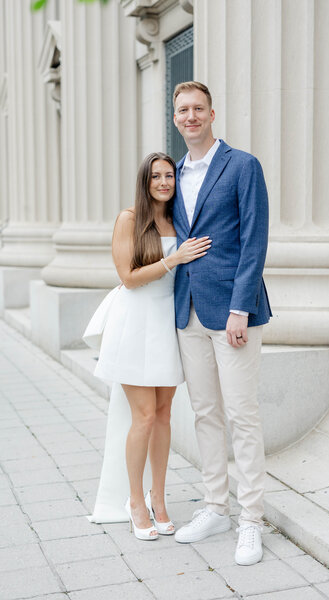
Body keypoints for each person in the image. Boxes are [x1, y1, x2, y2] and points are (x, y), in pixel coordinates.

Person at [84, 152, 211, 540]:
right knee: (142, 416)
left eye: (169, 175)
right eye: (155, 176)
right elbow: (128, 277)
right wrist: (174, 259)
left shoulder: (180, 220)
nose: (163, 182)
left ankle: (159, 498)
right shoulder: (129, 219)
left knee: (163, 415)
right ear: (145, 180)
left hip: (167, 324)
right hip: (135, 323)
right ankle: (135, 500)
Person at [171, 82, 272, 565]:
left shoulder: (242, 165)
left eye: (197, 109)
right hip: (186, 310)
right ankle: (216, 507)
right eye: (182, 110)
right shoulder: (172, 174)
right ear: (175, 119)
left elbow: (254, 240)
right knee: (205, 414)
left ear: (212, 114)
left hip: (231, 312)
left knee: (242, 416)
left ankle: (251, 519)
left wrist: (241, 309)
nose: (190, 117)